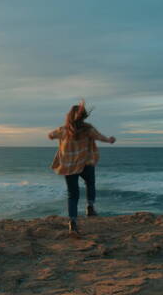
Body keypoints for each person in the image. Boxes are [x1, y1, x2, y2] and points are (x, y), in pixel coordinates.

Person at [48, 99, 116, 235]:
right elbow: (99, 137)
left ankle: (72, 222)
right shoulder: (87, 129)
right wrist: (109, 140)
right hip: (85, 163)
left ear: (68, 116)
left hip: (69, 166)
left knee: (73, 195)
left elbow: (50, 135)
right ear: (83, 116)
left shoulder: (63, 130)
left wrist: (58, 137)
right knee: (90, 183)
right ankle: (90, 207)